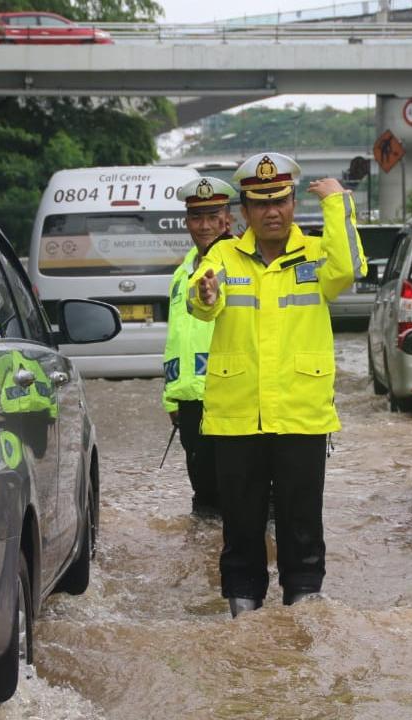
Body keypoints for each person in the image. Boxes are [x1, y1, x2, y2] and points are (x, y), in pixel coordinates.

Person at [189, 152, 366, 617]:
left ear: (293, 205)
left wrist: (339, 204)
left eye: (282, 201)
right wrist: (204, 295)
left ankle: (304, 609)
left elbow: (349, 269)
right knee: (241, 524)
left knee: (301, 521)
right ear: (244, 212)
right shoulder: (224, 254)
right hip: (237, 415)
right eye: (261, 203)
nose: (273, 211)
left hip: (301, 412)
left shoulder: (316, 255)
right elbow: (202, 302)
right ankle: (243, 613)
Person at [163, 176, 236, 516]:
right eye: (196, 217)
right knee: (205, 499)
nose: (204, 225)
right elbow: (176, 338)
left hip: (232, 396)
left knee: (242, 497)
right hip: (191, 402)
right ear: (186, 221)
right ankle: (204, 565)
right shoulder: (182, 273)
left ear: (228, 219)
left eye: (213, 216)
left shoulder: (241, 266)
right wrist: (171, 397)